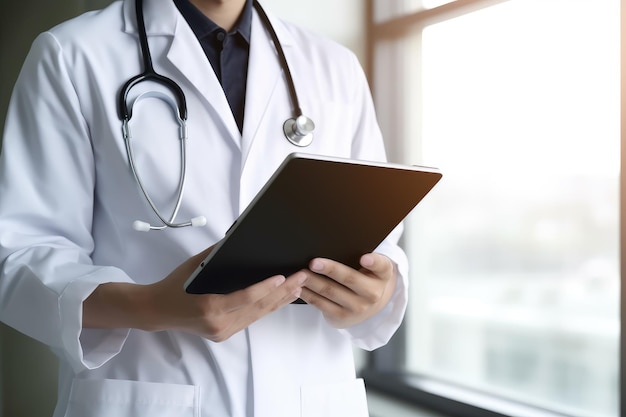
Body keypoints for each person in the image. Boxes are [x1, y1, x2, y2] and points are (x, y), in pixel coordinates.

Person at [0, 0, 409, 416]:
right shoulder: (73, 54)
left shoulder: (334, 65)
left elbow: (380, 241)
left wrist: (379, 289)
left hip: (310, 395)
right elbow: (22, 254)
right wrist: (151, 306)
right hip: (152, 396)